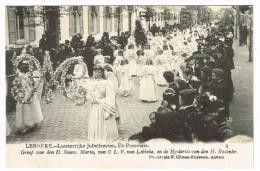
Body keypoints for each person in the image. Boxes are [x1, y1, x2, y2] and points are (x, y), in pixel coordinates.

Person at [87, 65, 119, 143]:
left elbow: (110, 96)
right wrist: (94, 99)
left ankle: (106, 138)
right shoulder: (92, 83)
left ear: (102, 73)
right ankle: (96, 138)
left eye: (99, 72)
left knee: (105, 122)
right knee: (95, 122)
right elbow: (89, 95)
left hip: (104, 106)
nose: (97, 74)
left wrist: (105, 105)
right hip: (95, 106)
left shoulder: (107, 82)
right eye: (96, 72)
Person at [13, 59, 43, 134]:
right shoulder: (19, 74)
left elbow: (33, 84)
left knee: (30, 108)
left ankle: (31, 124)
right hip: (21, 94)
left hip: (29, 93)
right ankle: (23, 125)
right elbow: (16, 82)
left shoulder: (30, 75)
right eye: (22, 65)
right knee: (21, 109)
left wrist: (30, 91)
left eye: (25, 65)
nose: (24, 67)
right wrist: (17, 88)